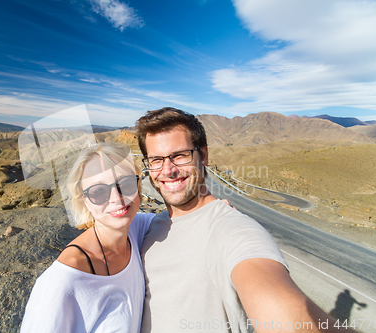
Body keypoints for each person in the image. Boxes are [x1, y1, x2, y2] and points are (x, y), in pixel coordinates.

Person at [136, 107, 356, 333]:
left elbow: (284, 319)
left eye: (180, 156)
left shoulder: (234, 230)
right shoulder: (148, 226)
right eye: (156, 160)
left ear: (204, 155)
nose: (168, 170)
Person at [20, 142, 155, 333]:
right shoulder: (67, 280)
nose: (117, 197)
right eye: (99, 191)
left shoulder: (136, 229)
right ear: (85, 201)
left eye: (125, 183)